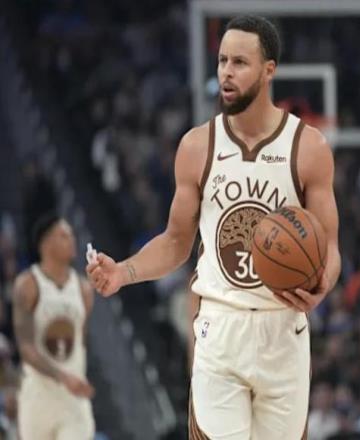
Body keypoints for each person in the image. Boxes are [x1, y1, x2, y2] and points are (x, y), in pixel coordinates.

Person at [87, 15, 341, 440]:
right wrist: (123, 272)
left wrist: (322, 283)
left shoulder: (308, 147)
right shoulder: (197, 146)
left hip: (284, 328)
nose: (226, 71)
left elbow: (329, 246)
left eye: (239, 62)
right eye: (222, 60)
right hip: (221, 327)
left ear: (269, 70)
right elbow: (175, 242)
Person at [13, 213, 95, 440]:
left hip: (73, 399)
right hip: (39, 397)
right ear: (45, 244)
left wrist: (75, 377)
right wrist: (61, 376)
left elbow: (80, 344)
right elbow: (26, 348)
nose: (72, 240)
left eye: (71, 235)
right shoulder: (28, 285)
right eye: (64, 236)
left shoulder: (84, 289)